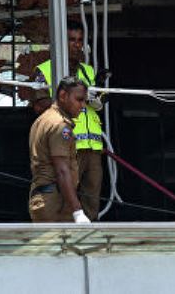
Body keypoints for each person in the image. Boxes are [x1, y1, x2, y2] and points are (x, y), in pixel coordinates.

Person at [32, 21, 105, 220]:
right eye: (72, 40)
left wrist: (96, 99)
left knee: (92, 198)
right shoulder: (45, 70)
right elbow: (38, 104)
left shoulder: (88, 71)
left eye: (80, 40)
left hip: (93, 145)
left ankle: (88, 241)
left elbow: (100, 103)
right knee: (65, 196)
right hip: (66, 144)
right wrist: (69, 101)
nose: (76, 44)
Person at [28, 76, 91, 223]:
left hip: (44, 197)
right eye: (79, 100)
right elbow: (62, 171)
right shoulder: (60, 126)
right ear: (63, 96)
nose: (83, 106)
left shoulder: (43, 119)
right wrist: (77, 212)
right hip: (55, 202)